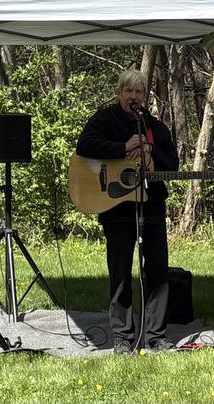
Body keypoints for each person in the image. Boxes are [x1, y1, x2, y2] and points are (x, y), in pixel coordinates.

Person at [76, 69, 180, 354]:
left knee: (158, 271)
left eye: (138, 92)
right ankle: (123, 338)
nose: (133, 97)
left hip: (153, 207)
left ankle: (156, 336)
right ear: (119, 93)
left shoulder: (156, 128)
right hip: (116, 207)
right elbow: (84, 146)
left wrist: (150, 149)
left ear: (144, 97)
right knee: (120, 272)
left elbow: (173, 165)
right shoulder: (104, 119)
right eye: (128, 91)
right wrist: (124, 147)